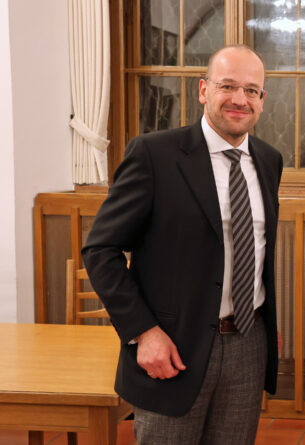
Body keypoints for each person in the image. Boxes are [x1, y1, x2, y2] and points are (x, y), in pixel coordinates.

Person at [82, 45, 282, 444]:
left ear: (262, 99)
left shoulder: (268, 160)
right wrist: (144, 332)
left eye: (251, 90)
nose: (240, 99)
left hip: (247, 344)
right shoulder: (154, 154)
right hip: (172, 348)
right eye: (228, 86)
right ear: (203, 90)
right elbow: (100, 250)